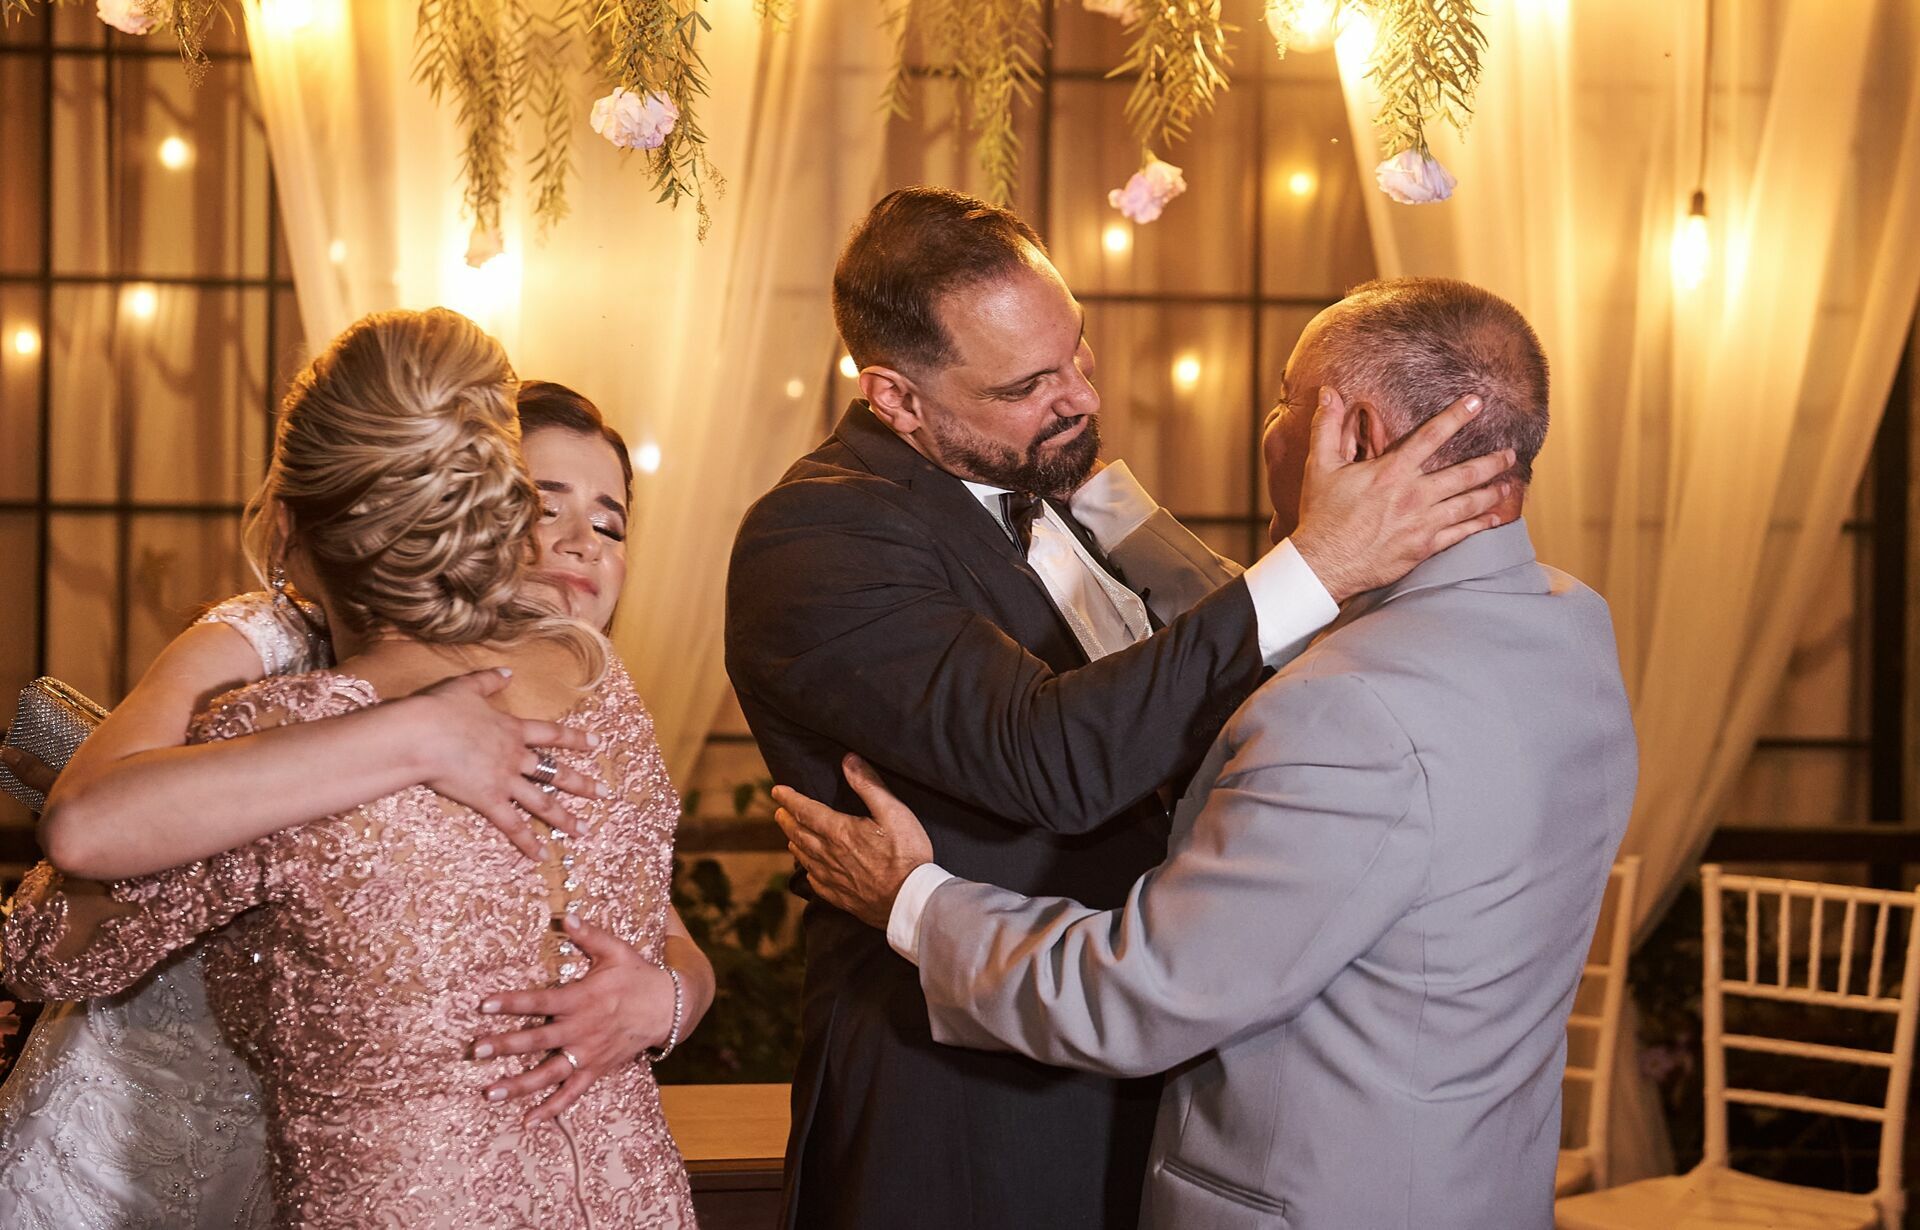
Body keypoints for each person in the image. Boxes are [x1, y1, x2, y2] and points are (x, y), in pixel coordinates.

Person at [725, 190, 1517, 1230]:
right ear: (898, 399)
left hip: (1128, 1052)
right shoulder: (817, 535)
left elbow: (1187, 691)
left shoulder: (1052, 486)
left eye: (1077, 353)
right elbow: (1054, 758)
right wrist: (1320, 560)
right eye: (1029, 383)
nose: (1080, 396)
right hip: (963, 1105)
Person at [2, 310, 701, 1227]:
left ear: (289, 524)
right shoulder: (602, 693)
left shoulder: (283, 740)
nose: (580, 543)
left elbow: (47, 939)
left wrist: (675, 992)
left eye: (608, 524)